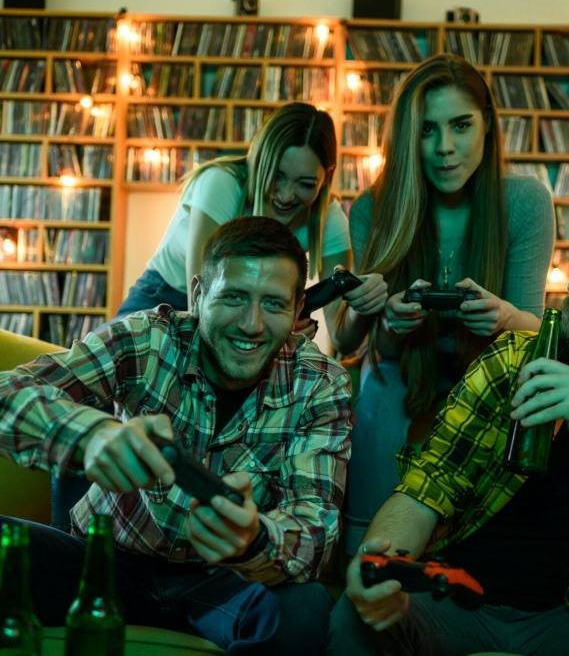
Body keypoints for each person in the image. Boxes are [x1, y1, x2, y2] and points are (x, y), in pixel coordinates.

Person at [329, 223, 569, 656]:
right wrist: (383, 568)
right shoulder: (515, 359)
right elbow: (428, 486)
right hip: (462, 600)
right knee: (355, 617)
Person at [0, 216, 352, 655]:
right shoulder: (146, 338)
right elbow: (7, 393)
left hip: (224, 582)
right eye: (235, 297)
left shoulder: (319, 382)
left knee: (306, 607)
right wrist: (92, 433)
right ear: (199, 293)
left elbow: (317, 528)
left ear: (299, 308)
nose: (252, 325)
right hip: (106, 563)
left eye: (274, 305)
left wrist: (255, 538)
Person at [336, 54, 555, 553]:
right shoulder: (374, 207)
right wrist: (391, 321)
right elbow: (378, 351)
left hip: (490, 383)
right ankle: (364, 559)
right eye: (427, 130)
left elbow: (533, 330)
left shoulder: (525, 202)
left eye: (461, 125)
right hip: (403, 377)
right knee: (377, 395)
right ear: (407, 138)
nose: (445, 148)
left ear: (488, 126)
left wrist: (503, 317)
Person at [117, 101, 387, 343]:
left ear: (326, 178)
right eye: (277, 176)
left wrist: (361, 307)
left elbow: (342, 338)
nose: (286, 195)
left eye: (305, 184)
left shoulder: (330, 220)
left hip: (237, 309)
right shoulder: (222, 183)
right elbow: (201, 307)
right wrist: (278, 329)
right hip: (165, 297)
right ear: (259, 162)